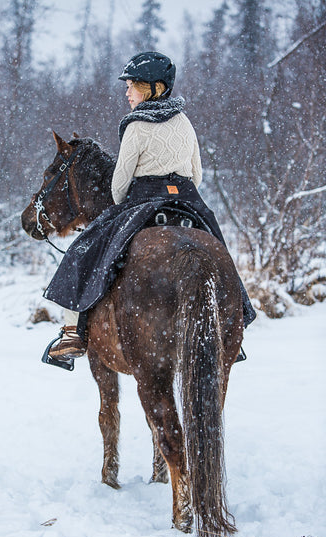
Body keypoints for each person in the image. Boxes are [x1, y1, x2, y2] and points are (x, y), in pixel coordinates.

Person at [47, 52, 256, 362]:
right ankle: (233, 326)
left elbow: (119, 184)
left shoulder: (136, 125)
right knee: (217, 247)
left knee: (84, 250)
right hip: (187, 199)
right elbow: (196, 174)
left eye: (131, 85)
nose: (127, 92)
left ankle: (73, 332)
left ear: (152, 88)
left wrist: (123, 204)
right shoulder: (185, 122)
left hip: (144, 198)